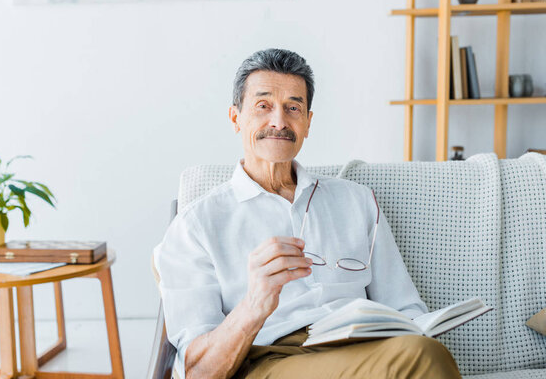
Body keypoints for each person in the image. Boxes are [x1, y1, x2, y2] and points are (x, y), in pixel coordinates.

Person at [153, 48, 461, 379]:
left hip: (364, 354)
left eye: (293, 108)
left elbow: (406, 309)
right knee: (420, 357)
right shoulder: (196, 225)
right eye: (263, 106)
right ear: (235, 118)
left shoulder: (356, 201)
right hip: (267, 361)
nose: (279, 121)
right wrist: (256, 303)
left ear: (308, 122)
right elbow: (199, 372)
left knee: (424, 350)